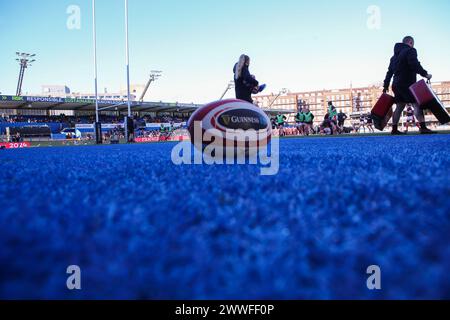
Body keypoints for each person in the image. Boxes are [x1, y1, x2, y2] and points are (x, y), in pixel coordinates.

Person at [383, 36, 435, 134]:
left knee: (399, 106)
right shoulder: (410, 50)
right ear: (410, 42)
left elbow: (389, 72)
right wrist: (425, 74)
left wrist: (385, 85)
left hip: (396, 84)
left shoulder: (393, 57)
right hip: (407, 83)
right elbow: (414, 64)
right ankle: (423, 128)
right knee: (416, 104)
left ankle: (394, 129)